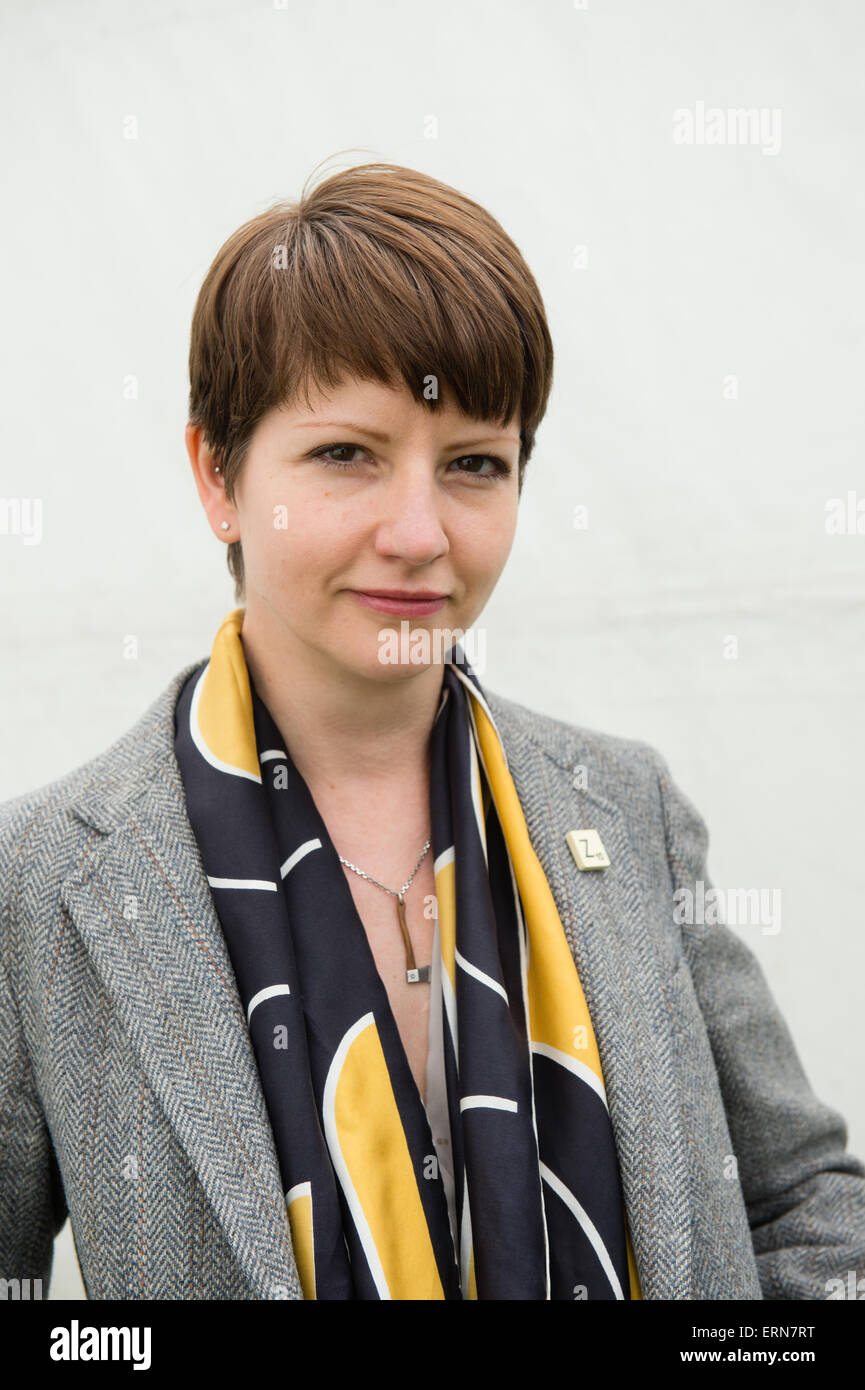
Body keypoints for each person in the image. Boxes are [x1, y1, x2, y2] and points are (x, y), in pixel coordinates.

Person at [1, 162, 863, 1302]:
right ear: (218, 474)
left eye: (472, 465)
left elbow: (805, 1201)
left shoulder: (625, 808)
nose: (418, 533)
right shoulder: (48, 877)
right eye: (346, 454)